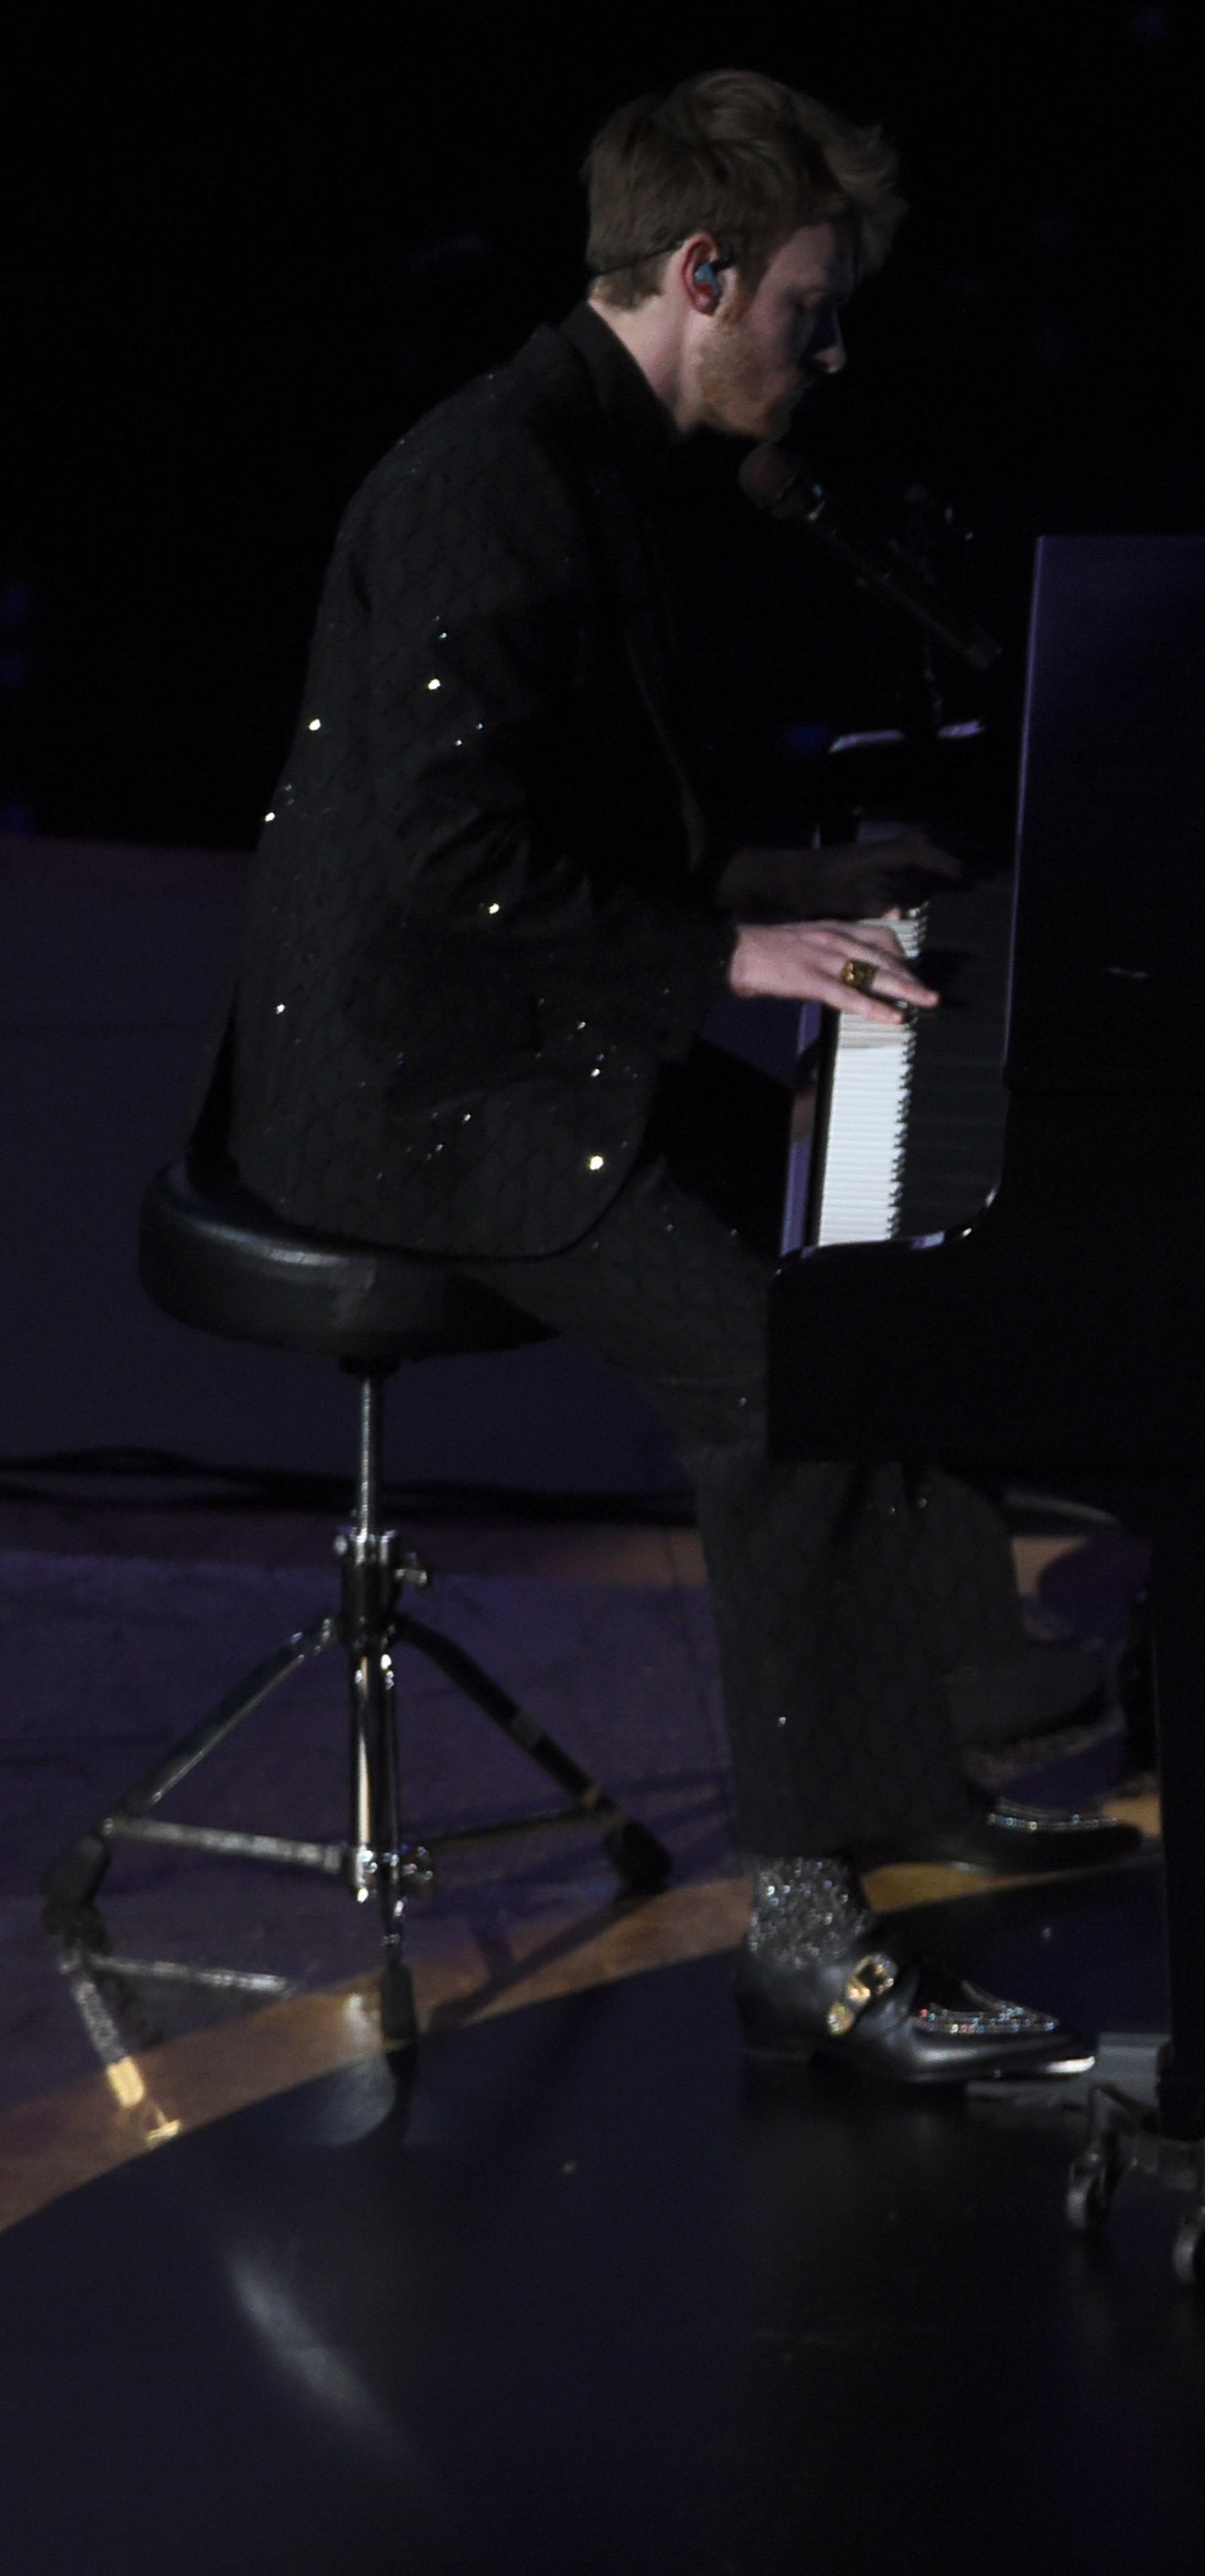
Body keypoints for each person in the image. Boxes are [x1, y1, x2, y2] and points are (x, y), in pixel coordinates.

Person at [219, 70, 1134, 2084]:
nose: (828, 348)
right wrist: (726, 950)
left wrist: (774, 878)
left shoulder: (606, 452)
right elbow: (445, 856)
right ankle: (809, 1922)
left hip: (534, 1021)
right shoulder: (493, 481)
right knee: (780, 1374)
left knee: (860, 1266)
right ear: (701, 272)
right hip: (413, 1082)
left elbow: (578, 805)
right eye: (807, 305)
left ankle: (910, 1777)